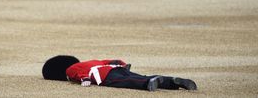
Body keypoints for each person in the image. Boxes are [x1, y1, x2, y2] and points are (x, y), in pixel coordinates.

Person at [42, 55, 198, 92]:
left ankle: (147, 84)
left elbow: (78, 73)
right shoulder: (91, 60)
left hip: (104, 76)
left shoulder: (71, 69)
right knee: (137, 75)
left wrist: (84, 80)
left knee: (129, 81)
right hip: (113, 67)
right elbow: (108, 60)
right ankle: (171, 81)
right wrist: (121, 63)